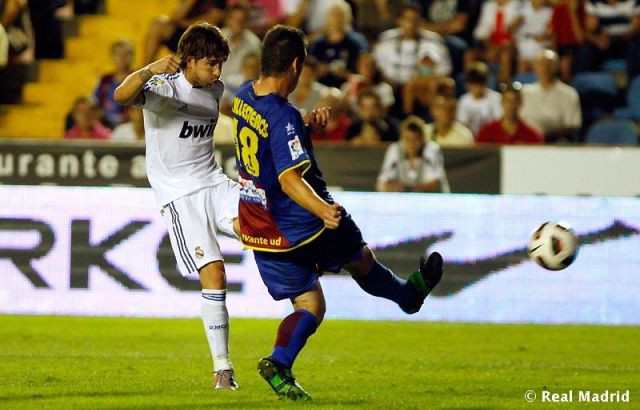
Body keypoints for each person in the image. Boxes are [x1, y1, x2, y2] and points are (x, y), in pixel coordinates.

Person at [231, 24, 444, 401]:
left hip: (259, 228)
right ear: (295, 65)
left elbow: (267, 143)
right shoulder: (283, 115)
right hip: (305, 223)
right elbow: (289, 179)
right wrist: (323, 211)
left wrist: (302, 128)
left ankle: (280, 363)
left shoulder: (244, 96)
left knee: (310, 305)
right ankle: (408, 296)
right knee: (361, 260)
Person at [114, 22, 239, 390]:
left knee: (261, 226)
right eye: (211, 63)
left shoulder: (215, 88)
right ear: (190, 60)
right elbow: (122, 95)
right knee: (215, 274)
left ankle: (315, 264)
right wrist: (149, 68)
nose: (218, 71)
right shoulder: (163, 87)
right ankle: (223, 369)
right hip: (181, 195)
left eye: (221, 63)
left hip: (215, 182)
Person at [519, 49, 581, 141]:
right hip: (525, 141)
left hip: (556, 142)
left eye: (549, 64)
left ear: (557, 66)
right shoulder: (524, 92)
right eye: (541, 64)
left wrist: (545, 137)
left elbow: (572, 125)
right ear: (535, 67)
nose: (545, 68)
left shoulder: (569, 94)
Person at [377, 115, 451, 192]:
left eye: (415, 139)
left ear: (422, 138)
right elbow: (381, 184)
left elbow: (437, 182)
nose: (411, 143)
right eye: (407, 139)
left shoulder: (432, 149)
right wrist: (394, 187)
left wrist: (415, 190)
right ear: (401, 138)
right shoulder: (395, 149)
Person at [307, 0, 369, 88]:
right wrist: (320, 71)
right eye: (334, 15)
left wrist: (345, 74)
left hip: (349, 88)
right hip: (322, 88)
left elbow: (366, 74)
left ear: (349, 17)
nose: (337, 19)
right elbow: (309, 70)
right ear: (328, 18)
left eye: (341, 15)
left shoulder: (357, 43)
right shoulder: (319, 44)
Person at [142, 0, 226, 65]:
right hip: (185, 34)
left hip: (203, 40)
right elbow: (175, 17)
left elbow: (212, 20)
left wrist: (184, 23)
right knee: (158, 24)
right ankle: (146, 69)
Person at [477, 82, 545, 144]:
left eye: (515, 101)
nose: (511, 105)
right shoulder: (486, 132)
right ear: (501, 102)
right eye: (508, 101)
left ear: (520, 103)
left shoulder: (533, 135)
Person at [93, 39, 135, 129]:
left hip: (129, 122)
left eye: (126, 54)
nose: (122, 58)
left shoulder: (137, 77)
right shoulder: (105, 79)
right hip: (105, 122)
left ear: (132, 56)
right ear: (112, 56)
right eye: (118, 54)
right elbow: (95, 101)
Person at [456, 62, 503, 135]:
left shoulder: (496, 98)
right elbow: (462, 126)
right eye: (472, 82)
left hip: (492, 138)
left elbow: (499, 123)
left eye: (479, 81)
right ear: (467, 83)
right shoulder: (463, 100)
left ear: (485, 82)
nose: (476, 86)